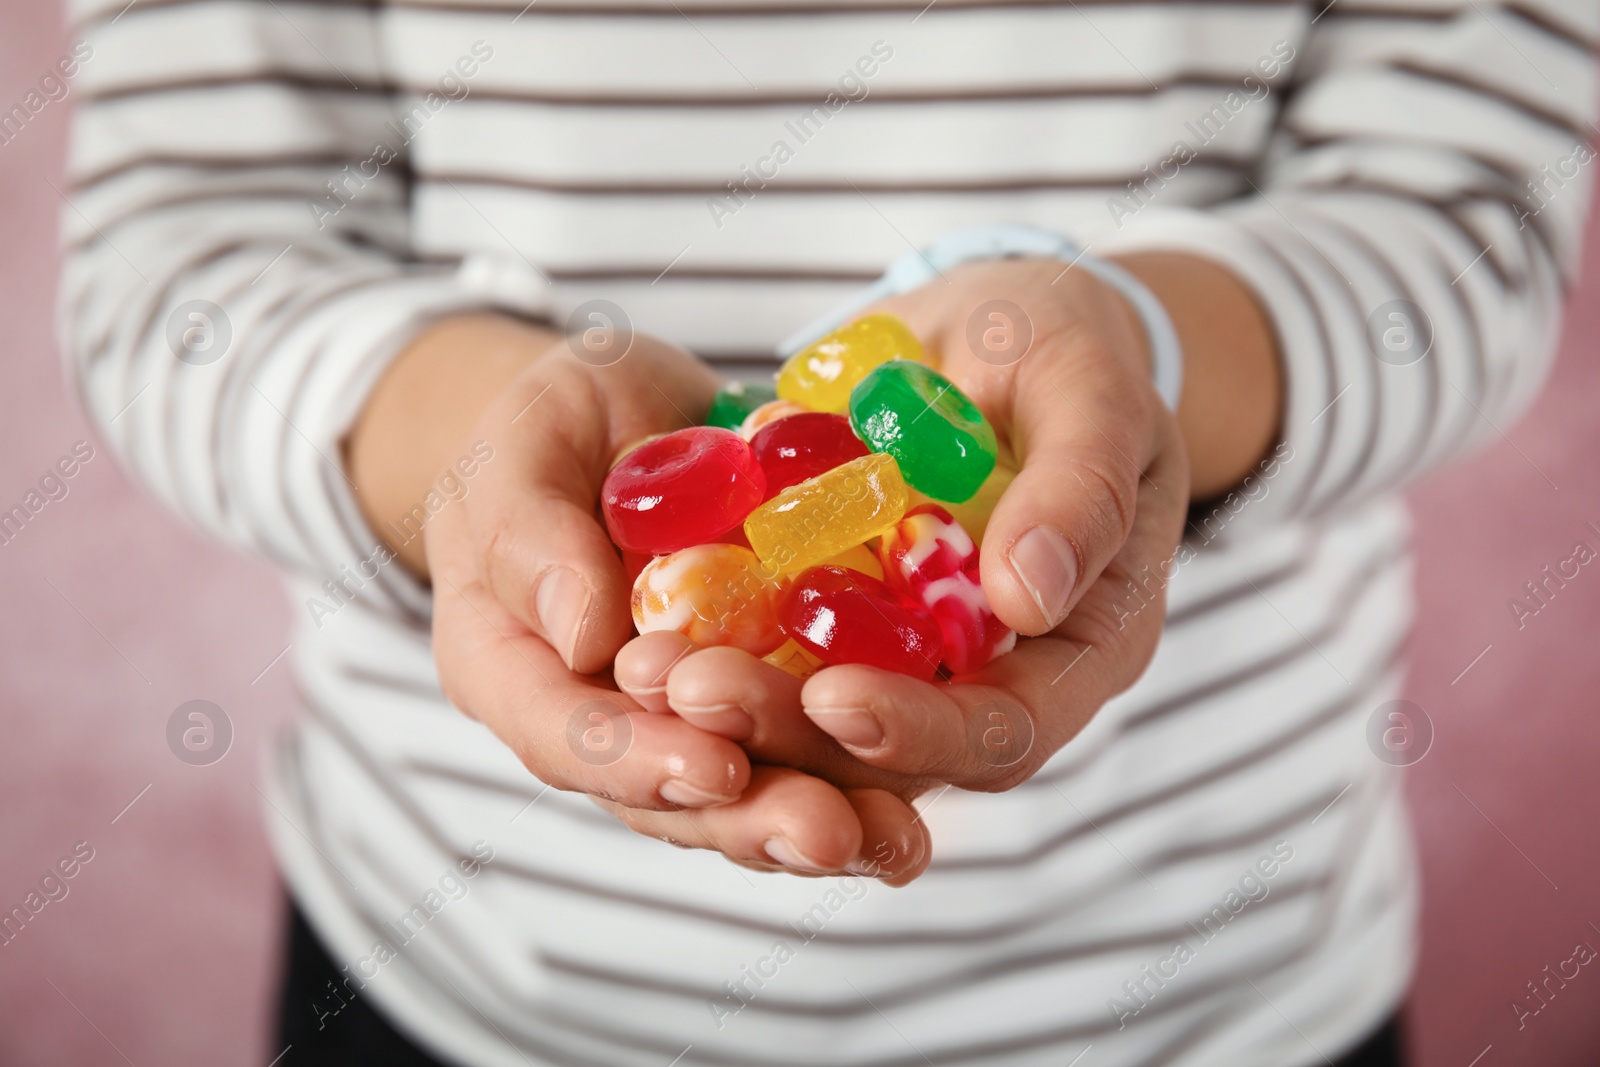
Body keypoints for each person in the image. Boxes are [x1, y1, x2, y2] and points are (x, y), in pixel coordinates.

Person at [60, 0, 1594, 1064]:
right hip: (466, 976)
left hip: (1213, 985)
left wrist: (1135, 349)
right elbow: (185, 250)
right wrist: (471, 443)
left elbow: (1463, 208)